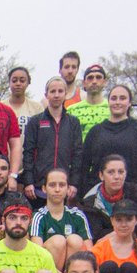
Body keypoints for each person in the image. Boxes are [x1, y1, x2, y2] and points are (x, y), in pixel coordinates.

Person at [20, 77, 84, 206]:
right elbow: (28, 153)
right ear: (46, 95)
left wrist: (74, 183)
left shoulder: (73, 122)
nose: (56, 95)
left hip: (63, 185)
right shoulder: (35, 121)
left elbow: (78, 154)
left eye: (60, 91)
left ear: (65, 94)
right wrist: (28, 182)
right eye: (52, 91)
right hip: (39, 187)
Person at [81, 84, 137, 192]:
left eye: (122, 98)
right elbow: (84, 165)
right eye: (114, 98)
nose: (117, 102)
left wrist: (136, 192)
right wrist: (86, 191)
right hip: (98, 196)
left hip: (129, 197)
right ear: (108, 102)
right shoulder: (96, 131)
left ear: (129, 103)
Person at [78, 155, 137, 246]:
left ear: (125, 174)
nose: (116, 177)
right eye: (111, 172)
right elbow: (97, 234)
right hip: (106, 244)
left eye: (121, 172)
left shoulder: (135, 191)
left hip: (132, 238)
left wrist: (119, 232)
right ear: (101, 175)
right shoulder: (90, 200)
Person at [30, 168, 92, 270]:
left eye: (62, 185)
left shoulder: (77, 215)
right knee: (58, 241)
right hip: (47, 272)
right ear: (44, 189)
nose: (57, 189)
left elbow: (90, 252)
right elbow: (37, 254)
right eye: (52, 185)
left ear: (68, 189)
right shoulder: (38, 216)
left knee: (75, 240)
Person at [67, 64, 110, 140]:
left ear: (105, 82)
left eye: (98, 77)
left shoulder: (112, 108)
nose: (94, 81)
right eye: (90, 78)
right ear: (84, 83)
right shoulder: (71, 110)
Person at [5, 66, 44, 133]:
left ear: (28, 83)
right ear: (9, 82)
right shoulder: (0, 106)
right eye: (14, 81)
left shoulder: (37, 108)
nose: (18, 83)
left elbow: (43, 133)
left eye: (22, 81)